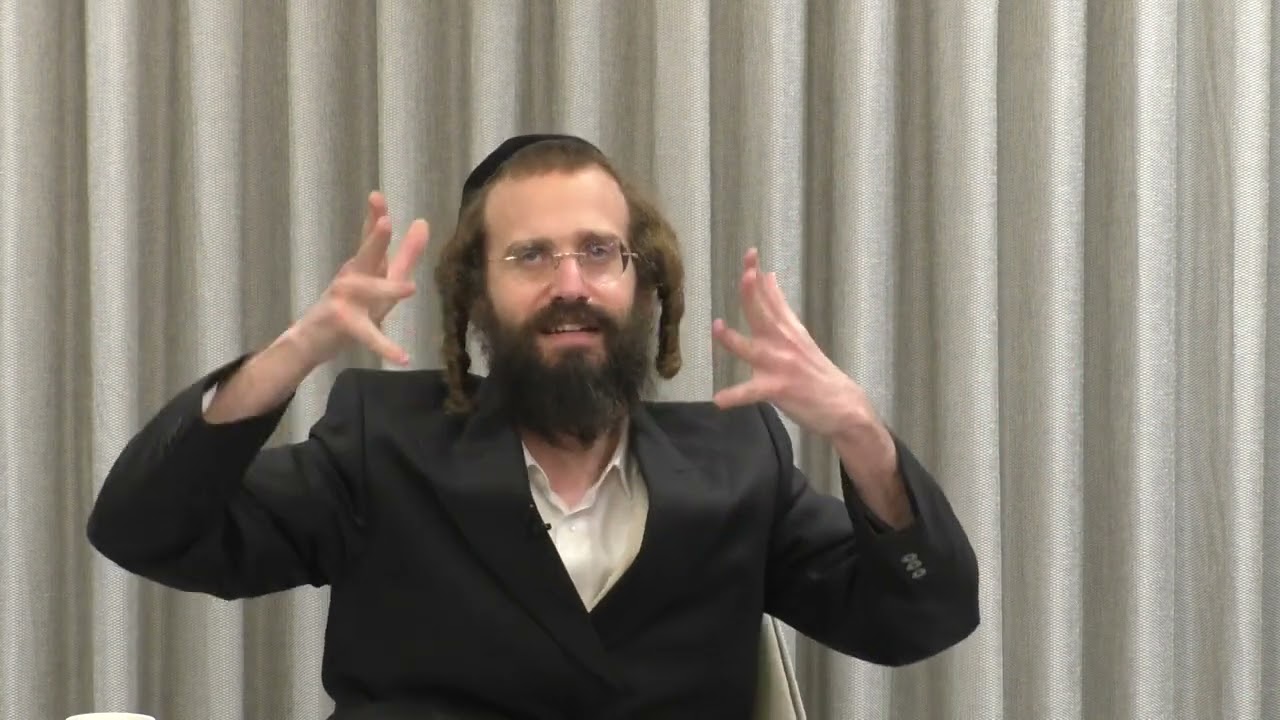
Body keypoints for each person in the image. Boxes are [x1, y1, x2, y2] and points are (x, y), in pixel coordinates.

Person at [87, 134, 979, 719]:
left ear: (641, 280)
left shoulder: (737, 460)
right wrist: (291, 354)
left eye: (598, 251)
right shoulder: (382, 442)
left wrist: (861, 435)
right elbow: (146, 530)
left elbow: (921, 619)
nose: (571, 284)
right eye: (530, 256)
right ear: (476, 293)